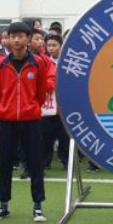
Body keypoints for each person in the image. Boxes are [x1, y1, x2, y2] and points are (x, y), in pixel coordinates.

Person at [0, 22, 53, 223]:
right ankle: (3, 205)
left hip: (31, 119)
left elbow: (41, 92)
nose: (16, 40)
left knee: (35, 163)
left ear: (29, 39)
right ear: (7, 39)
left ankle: (37, 207)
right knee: (5, 163)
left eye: (21, 36)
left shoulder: (39, 63)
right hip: (7, 120)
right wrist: (1, 108)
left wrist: (32, 106)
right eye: (12, 36)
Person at [41, 34, 70, 171]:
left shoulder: (67, 62)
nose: (51, 48)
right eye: (49, 45)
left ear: (61, 46)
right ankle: (46, 161)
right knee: (47, 136)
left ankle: (65, 161)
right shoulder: (44, 62)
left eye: (54, 45)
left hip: (64, 106)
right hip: (48, 105)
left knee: (64, 136)